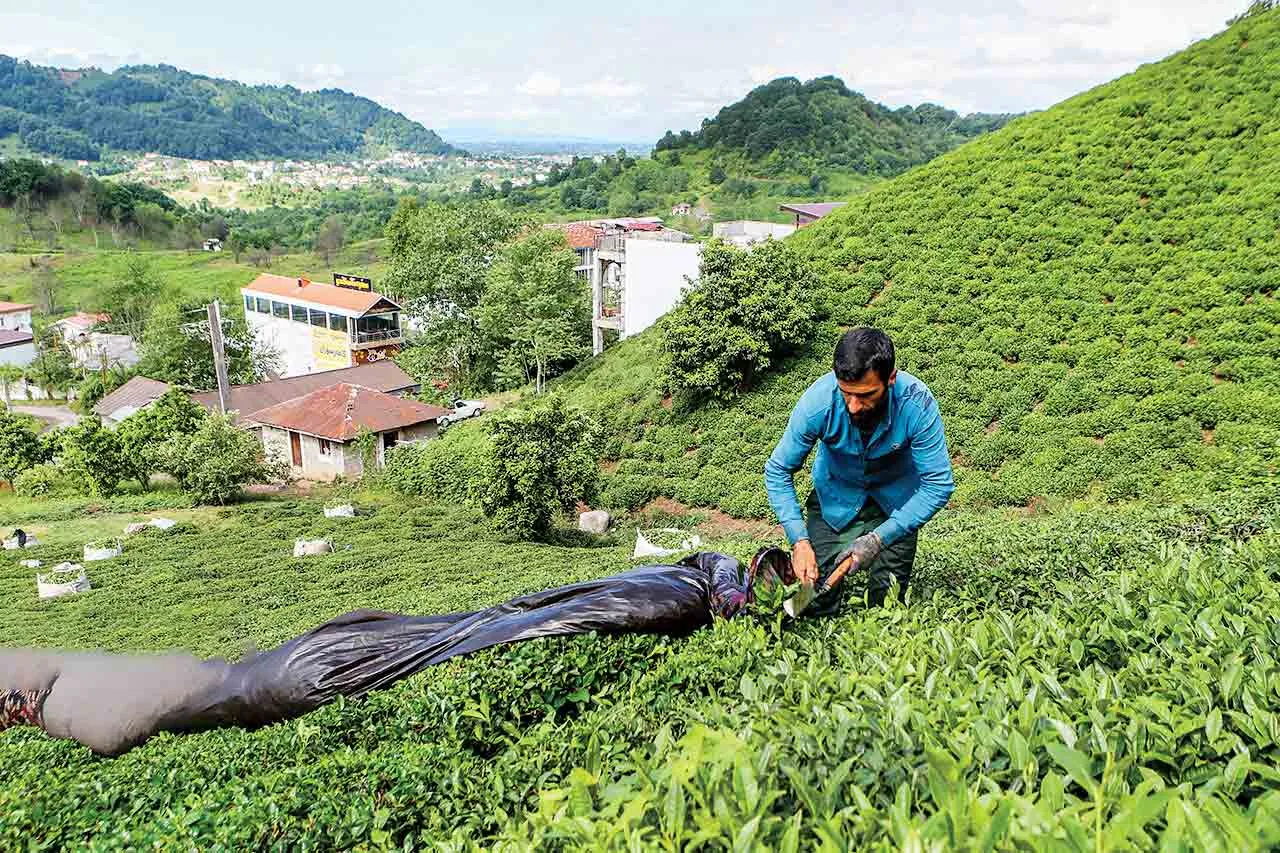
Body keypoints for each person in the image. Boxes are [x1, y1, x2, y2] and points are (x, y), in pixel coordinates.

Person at [0, 548, 794, 757]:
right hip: (328, 664)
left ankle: (50, 696)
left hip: (336, 651)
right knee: (226, 690)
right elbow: (560, 618)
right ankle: (48, 698)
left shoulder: (676, 585)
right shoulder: (676, 595)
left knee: (225, 686)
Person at [764, 327, 954, 614]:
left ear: (890, 379)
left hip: (896, 506)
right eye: (846, 394)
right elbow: (778, 470)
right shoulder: (818, 404)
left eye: (865, 395)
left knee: (886, 601)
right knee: (816, 594)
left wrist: (879, 538)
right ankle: (795, 613)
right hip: (836, 500)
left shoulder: (917, 404)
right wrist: (799, 541)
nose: (853, 406)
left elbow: (938, 484)